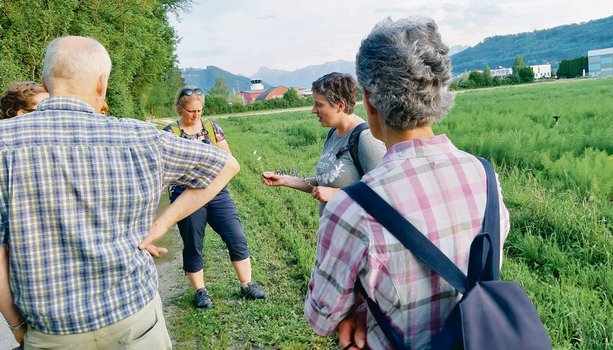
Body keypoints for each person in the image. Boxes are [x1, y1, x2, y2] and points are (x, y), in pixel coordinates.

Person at [0, 36, 240, 349]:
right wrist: (162, 224)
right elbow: (227, 165)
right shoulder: (139, 136)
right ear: (102, 84)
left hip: (53, 333)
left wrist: (17, 326)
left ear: (46, 81)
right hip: (135, 321)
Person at [304, 17, 511, 349]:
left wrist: (361, 310)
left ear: (370, 101)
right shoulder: (486, 177)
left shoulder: (353, 207)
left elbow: (321, 315)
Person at [163, 85, 267, 309]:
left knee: (236, 237)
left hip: (217, 192)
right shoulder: (169, 134)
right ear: (180, 108)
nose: (196, 115)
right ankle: (200, 292)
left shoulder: (211, 129)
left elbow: (228, 160)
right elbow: (165, 168)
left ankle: (247, 285)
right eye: (191, 111)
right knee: (193, 244)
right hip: (186, 195)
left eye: (199, 111)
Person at [262, 72, 385, 214]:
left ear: (340, 105)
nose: (313, 110)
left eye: (319, 104)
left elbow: (383, 192)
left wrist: (336, 195)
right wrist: (284, 180)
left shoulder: (365, 139)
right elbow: (325, 182)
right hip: (332, 230)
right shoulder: (333, 133)